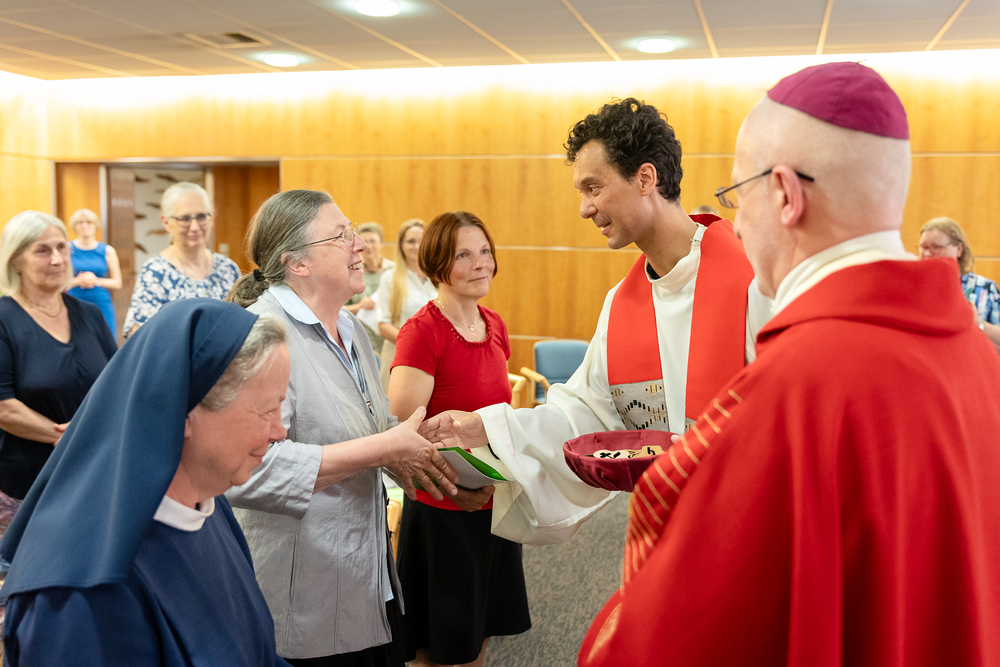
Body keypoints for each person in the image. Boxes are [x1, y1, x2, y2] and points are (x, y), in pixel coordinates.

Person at [579, 62, 1000, 666]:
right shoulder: (976, 356)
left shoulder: (794, 390)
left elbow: (685, 638)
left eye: (737, 195)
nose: (736, 223)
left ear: (785, 194)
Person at [420, 98, 772, 545]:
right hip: (670, 528)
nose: (585, 208)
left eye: (594, 187)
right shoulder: (622, 303)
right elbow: (584, 417)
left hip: (753, 525)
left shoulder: (754, 282)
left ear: (645, 178)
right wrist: (487, 428)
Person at [225, 190, 459, 666]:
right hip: (304, 595)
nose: (361, 245)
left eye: (353, 231)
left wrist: (430, 457)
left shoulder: (350, 330)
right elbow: (245, 470)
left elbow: (373, 430)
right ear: (297, 263)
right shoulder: (260, 334)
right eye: (340, 235)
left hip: (367, 577)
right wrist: (383, 449)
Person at [0, 299, 292, 666]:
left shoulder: (210, 508)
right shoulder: (77, 599)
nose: (279, 431)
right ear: (183, 411)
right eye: (267, 410)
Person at [388, 212, 531, 667]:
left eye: (485, 251)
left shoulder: (495, 324)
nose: (481, 263)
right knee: (440, 651)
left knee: (479, 637)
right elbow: (402, 434)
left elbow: (497, 413)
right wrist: (456, 489)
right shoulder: (422, 331)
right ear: (436, 264)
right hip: (443, 512)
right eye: (463, 255)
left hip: (494, 504)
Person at [0, 211, 117, 537]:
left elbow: (117, 383)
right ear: (16, 260)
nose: (57, 259)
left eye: (61, 248)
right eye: (42, 251)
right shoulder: (4, 319)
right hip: (26, 486)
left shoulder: (90, 315)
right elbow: (4, 407)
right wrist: (65, 435)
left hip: (92, 475)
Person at [123, 182, 240, 338]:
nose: (195, 227)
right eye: (185, 218)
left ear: (211, 217)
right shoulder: (156, 272)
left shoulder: (228, 268)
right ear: (166, 222)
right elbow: (141, 336)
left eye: (201, 216)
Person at [917, 217, 1000, 352]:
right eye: (923, 247)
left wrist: (978, 324)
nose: (926, 253)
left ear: (959, 249)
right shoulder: (913, 288)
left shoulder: (983, 288)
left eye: (936, 247)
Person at [375, 219, 437, 388]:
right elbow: (383, 325)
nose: (417, 246)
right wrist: (415, 344)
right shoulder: (389, 278)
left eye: (421, 241)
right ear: (401, 245)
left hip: (434, 359)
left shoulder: (439, 278)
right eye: (411, 241)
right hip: (399, 357)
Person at [66, 208, 122, 337]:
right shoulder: (67, 249)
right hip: (74, 302)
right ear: (74, 227)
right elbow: (59, 282)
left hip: (100, 303)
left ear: (95, 225)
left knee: (105, 339)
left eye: (89, 222)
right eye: (80, 223)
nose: (84, 226)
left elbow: (117, 283)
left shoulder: (107, 250)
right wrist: (77, 281)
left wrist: (96, 281)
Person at [345, 222, 394, 354]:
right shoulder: (351, 273)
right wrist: (359, 306)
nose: (369, 246)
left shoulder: (394, 272)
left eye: (373, 241)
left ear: (381, 244)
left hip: (392, 341)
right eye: (365, 242)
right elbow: (338, 310)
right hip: (363, 344)